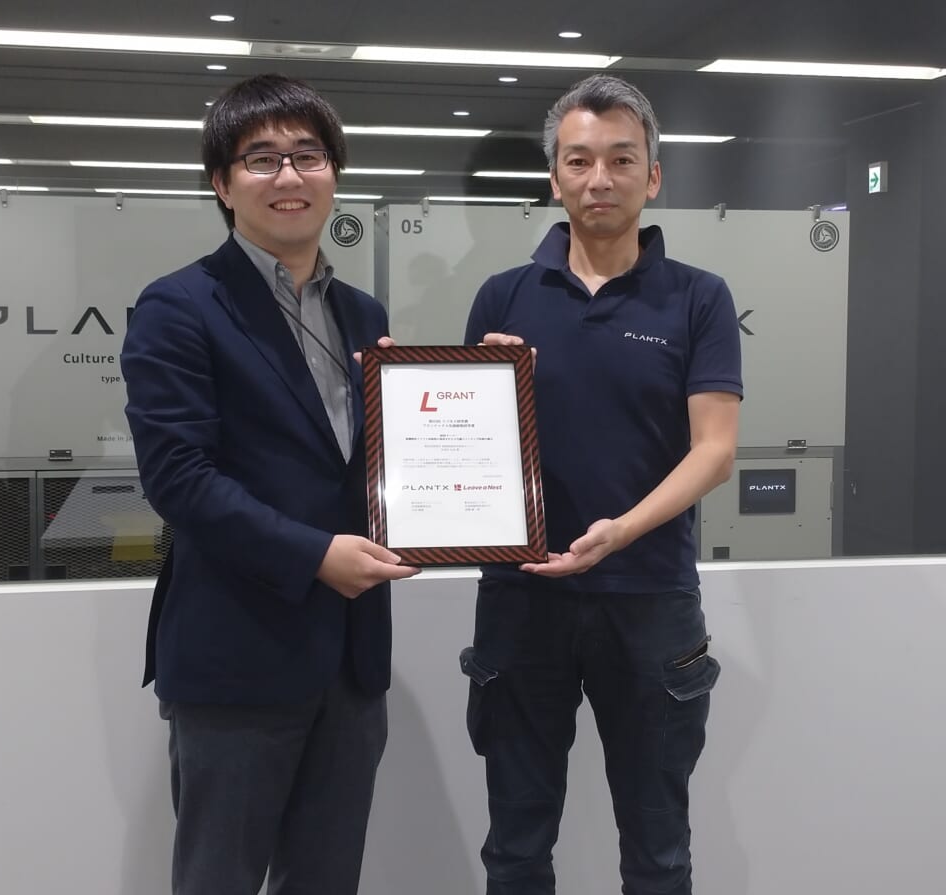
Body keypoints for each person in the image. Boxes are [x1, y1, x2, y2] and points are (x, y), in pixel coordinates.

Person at [120, 73, 418, 895]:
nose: (289, 175)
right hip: (237, 656)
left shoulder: (363, 314)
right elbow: (179, 478)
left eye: (308, 155)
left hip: (352, 661)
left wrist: (486, 391)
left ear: (334, 175)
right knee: (219, 878)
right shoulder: (180, 306)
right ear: (223, 184)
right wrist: (315, 554)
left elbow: (374, 461)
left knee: (327, 880)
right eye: (262, 159)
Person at [460, 74, 742, 894]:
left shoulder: (698, 298)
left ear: (653, 177)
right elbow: (467, 451)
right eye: (579, 160)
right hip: (522, 595)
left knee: (658, 852)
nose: (600, 179)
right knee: (516, 847)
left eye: (622, 160)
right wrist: (484, 386)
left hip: (649, 597)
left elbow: (714, 450)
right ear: (554, 178)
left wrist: (621, 530)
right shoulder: (503, 297)